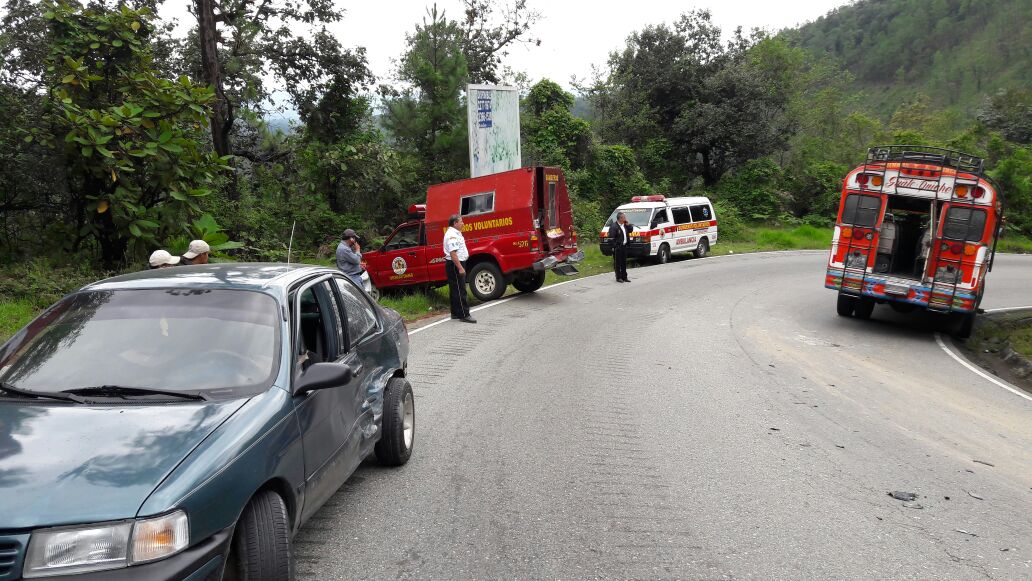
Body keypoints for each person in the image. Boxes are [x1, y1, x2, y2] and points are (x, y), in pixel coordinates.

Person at [444, 214, 475, 323]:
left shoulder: (454, 233)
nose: (463, 223)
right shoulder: (452, 235)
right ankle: (464, 314)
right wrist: (460, 268)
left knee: (454, 289)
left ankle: (455, 313)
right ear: (455, 223)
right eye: (461, 221)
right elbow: (453, 253)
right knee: (460, 289)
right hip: (455, 264)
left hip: (454, 263)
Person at [608, 212, 632, 282]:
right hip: (618, 248)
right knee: (618, 263)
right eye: (624, 217)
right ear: (620, 218)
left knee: (624, 262)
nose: (625, 218)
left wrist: (628, 225)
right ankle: (618, 277)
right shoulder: (613, 226)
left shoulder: (624, 225)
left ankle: (624, 277)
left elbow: (631, 230)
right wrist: (615, 246)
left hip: (624, 247)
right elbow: (611, 239)